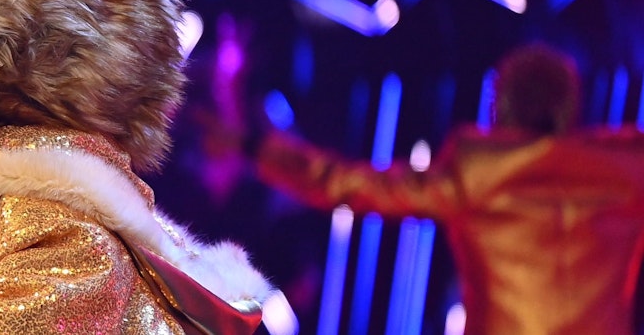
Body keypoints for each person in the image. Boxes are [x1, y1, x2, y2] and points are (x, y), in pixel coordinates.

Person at [246, 42, 644, 334]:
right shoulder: (627, 172)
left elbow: (347, 184)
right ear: (570, 105)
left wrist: (251, 146)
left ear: (501, 104)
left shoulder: (479, 173)